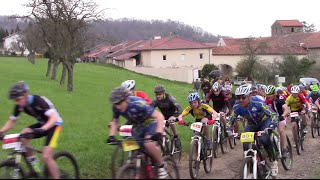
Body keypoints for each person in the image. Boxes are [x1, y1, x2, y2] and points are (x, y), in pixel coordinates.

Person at [0, 81, 63, 179]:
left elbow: (54, 118)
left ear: (25, 95)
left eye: (18, 99)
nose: (16, 102)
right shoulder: (20, 106)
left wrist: (43, 129)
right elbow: (12, 121)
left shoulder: (38, 101)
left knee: (46, 156)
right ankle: (35, 168)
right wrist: (1, 131)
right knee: (23, 136)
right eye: (15, 100)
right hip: (43, 124)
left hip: (55, 125)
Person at [107, 86, 168, 179]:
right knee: (136, 155)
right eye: (115, 104)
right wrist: (111, 136)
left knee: (148, 144)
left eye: (119, 103)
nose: (117, 106)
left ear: (126, 99)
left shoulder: (138, 104)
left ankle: (161, 166)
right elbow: (115, 121)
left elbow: (159, 116)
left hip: (151, 123)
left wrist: (159, 132)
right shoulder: (116, 107)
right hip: (138, 127)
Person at [230, 85, 279, 177]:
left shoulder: (258, 103)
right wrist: (229, 131)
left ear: (249, 96)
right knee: (245, 142)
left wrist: (271, 126)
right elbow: (231, 119)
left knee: (265, 139)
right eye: (238, 98)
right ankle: (250, 162)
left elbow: (273, 114)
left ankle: (273, 162)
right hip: (251, 124)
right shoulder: (237, 106)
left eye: (243, 97)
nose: (240, 100)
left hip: (264, 122)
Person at [265, 85, 290, 158]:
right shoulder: (266, 99)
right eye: (267, 95)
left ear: (274, 94)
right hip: (273, 117)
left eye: (270, 95)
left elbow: (286, 109)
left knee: (281, 129)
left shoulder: (280, 98)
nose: (268, 97)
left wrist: (283, 115)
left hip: (281, 116)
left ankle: (285, 149)